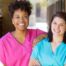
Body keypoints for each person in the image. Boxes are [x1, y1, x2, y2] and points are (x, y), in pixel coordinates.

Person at [0, 1, 47, 66]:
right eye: (17, 17)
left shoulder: (36, 33)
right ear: (12, 20)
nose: (21, 20)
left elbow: (55, 36)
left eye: (25, 16)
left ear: (28, 18)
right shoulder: (3, 42)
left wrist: (42, 36)